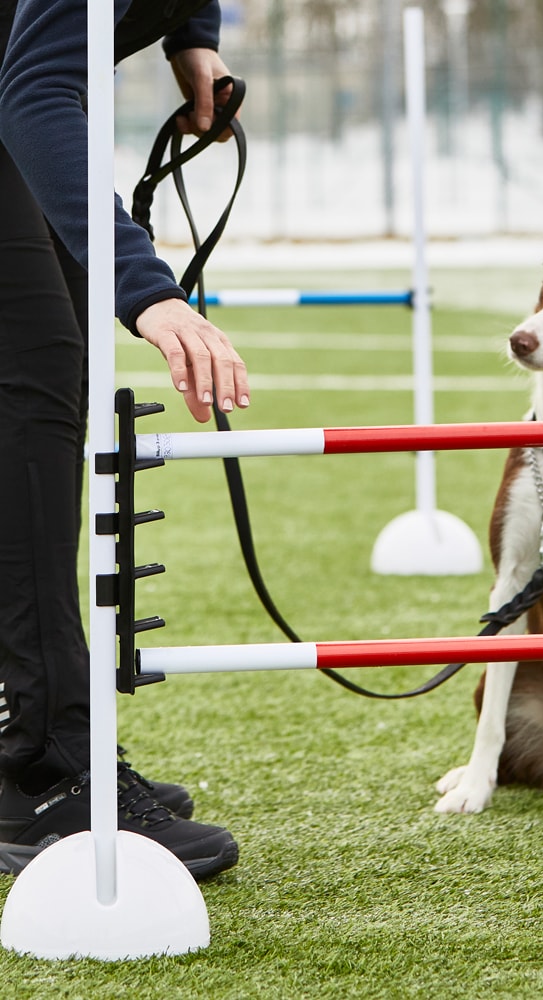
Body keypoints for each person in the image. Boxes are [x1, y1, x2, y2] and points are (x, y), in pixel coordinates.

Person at [0, 0, 250, 880]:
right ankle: (42, 767)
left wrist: (192, 40)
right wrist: (150, 289)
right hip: (18, 96)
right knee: (31, 389)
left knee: (47, 386)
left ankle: (44, 742)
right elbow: (33, 89)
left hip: (20, 91)